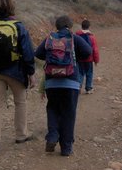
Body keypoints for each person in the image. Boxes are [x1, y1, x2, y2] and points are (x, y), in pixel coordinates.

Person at [0, 0, 36, 154]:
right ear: (12, 9)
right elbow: (27, 52)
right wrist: (31, 73)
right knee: (20, 102)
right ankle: (21, 134)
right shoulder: (19, 27)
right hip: (16, 71)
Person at [35, 15, 92, 156]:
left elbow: (38, 53)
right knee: (69, 113)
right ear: (70, 26)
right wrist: (73, 57)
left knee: (53, 109)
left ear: (57, 26)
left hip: (51, 82)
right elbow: (88, 52)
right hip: (71, 82)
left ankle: (53, 136)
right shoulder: (74, 38)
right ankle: (66, 148)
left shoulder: (50, 38)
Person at [75, 19, 100, 94]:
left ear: (81, 26)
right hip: (89, 59)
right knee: (89, 73)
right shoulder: (92, 37)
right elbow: (95, 50)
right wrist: (96, 60)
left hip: (79, 59)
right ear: (89, 27)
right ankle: (88, 89)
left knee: (80, 73)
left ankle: (78, 87)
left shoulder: (76, 36)